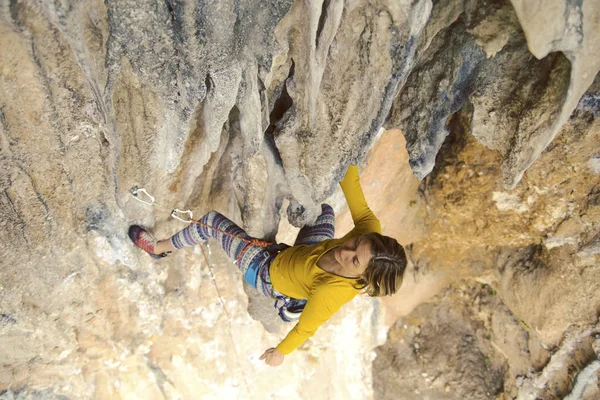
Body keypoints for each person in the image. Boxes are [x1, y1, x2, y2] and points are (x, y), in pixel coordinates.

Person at [128, 165, 407, 366]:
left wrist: (281, 352)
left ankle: (158, 249)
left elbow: (307, 330)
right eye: (354, 243)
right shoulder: (370, 232)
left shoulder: (330, 294)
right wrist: (347, 154)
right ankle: (297, 296)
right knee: (323, 211)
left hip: (265, 270)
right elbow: (352, 183)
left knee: (212, 222)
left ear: (363, 277)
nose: (346, 251)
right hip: (303, 253)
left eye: (354, 260)